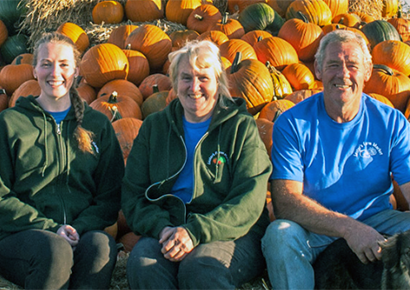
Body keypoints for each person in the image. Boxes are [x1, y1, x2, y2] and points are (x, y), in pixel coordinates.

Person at [262, 29, 410, 290]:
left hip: (377, 218)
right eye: (333, 65)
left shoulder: (392, 122)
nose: (343, 74)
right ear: (318, 70)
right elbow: (285, 202)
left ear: (367, 72)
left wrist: (360, 227)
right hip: (316, 227)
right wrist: (349, 229)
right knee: (279, 236)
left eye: (352, 65)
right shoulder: (292, 123)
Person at [122, 40, 272, 290]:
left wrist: (195, 232)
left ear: (218, 83)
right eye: (185, 78)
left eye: (203, 77)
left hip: (232, 232)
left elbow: (250, 199)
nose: (194, 87)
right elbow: (133, 194)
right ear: (174, 81)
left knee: (200, 268)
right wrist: (161, 228)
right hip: (169, 227)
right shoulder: (154, 127)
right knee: (143, 263)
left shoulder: (240, 127)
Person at [0, 32, 124, 290]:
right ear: (34, 70)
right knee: (55, 250)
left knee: (101, 246)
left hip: (79, 231)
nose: (54, 72)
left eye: (64, 64)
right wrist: (51, 228)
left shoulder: (97, 125)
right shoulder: (10, 124)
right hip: (20, 234)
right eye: (46, 64)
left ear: (77, 71)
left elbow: (110, 196)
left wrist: (77, 228)